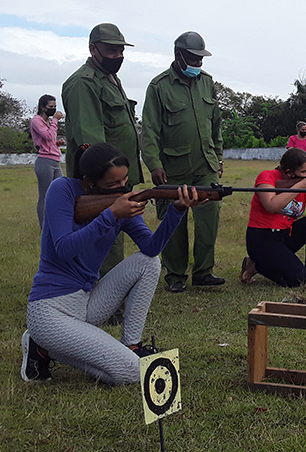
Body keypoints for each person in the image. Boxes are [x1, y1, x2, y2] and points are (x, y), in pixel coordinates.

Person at [21, 143, 200, 385]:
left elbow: (150, 247)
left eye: (125, 180)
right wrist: (111, 215)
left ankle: (131, 345)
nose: (123, 188)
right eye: (113, 184)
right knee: (134, 374)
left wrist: (176, 210)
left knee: (149, 262)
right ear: (90, 181)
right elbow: (64, 248)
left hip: (85, 302)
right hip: (50, 311)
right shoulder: (62, 189)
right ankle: (41, 343)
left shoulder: (119, 202)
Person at [141, 31, 224, 293]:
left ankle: (204, 271)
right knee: (173, 223)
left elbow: (216, 125)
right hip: (173, 167)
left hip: (205, 165)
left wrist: (218, 156)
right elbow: (150, 130)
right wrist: (154, 164)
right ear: (178, 55)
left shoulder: (207, 83)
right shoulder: (159, 86)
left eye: (201, 59)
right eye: (193, 58)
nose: (198, 64)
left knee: (209, 219)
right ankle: (175, 276)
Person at [61, 23, 142, 278]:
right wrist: (110, 185)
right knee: (104, 238)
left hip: (116, 178)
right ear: (93, 49)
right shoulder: (84, 83)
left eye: (120, 51)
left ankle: (110, 293)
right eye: (111, 51)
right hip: (103, 181)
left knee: (114, 234)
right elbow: (91, 146)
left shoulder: (109, 78)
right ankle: (105, 299)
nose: (117, 57)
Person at [240, 148, 306, 287]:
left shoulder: (302, 183)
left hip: (285, 235)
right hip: (262, 238)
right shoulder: (267, 176)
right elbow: (271, 206)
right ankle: (257, 265)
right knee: (298, 279)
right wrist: (299, 186)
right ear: (288, 172)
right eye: (304, 171)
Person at [31, 94, 65, 229]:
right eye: (51, 107)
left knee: (60, 191)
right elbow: (48, 135)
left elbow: (49, 141)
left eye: (55, 107)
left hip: (55, 160)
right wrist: (56, 120)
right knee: (44, 195)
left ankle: (57, 223)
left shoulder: (49, 122)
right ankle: (43, 227)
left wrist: (57, 143)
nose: (53, 109)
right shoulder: (36, 121)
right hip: (44, 161)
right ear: (42, 107)